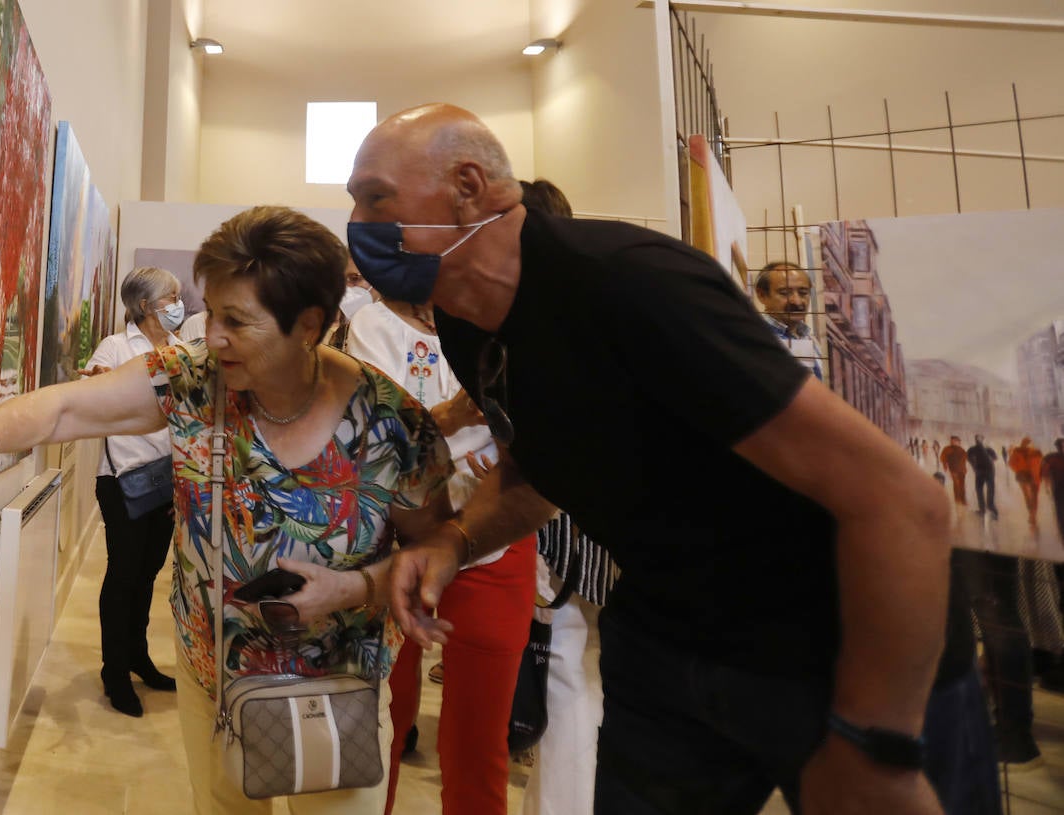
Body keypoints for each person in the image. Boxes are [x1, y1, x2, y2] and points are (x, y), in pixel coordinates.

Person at [348, 103, 994, 815]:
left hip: (845, 647)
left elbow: (902, 501)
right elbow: (540, 469)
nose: (355, 221)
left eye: (374, 197)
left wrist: (879, 746)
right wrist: (456, 537)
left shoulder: (628, 283)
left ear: (469, 185)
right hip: (670, 646)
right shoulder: (469, 326)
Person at [0, 205, 454, 814]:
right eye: (211, 312)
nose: (212, 336)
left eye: (237, 321)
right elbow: (66, 408)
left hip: (336, 689)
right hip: (214, 681)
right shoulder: (195, 380)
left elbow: (437, 548)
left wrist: (353, 586)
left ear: (308, 325)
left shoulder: (391, 424)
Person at [346, 286, 536, 815]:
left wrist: (510, 463)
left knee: (480, 733)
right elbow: (363, 443)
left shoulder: (513, 324)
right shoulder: (376, 327)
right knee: (383, 716)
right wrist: (449, 418)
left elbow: (553, 438)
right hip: (393, 541)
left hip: (495, 540)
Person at [515, 177, 613, 815]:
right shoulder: (594, 300)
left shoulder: (540, 314)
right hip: (590, 520)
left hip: (557, 525)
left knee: (562, 676)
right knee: (570, 672)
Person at [80, 266, 183, 716]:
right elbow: (92, 397)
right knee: (122, 574)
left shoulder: (181, 350)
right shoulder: (117, 347)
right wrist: (102, 382)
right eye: (171, 297)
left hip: (169, 478)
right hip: (122, 479)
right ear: (145, 306)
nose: (180, 304)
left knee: (148, 573)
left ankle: (139, 657)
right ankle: (114, 671)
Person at [753, 260, 823, 381]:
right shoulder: (756, 339)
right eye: (785, 293)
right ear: (762, 295)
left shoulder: (809, 338)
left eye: (803, 293)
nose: (797, 301)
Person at [1010, 437, 1044, 530]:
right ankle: (1032, 515)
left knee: (1029, 496)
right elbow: (1012, 464)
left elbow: (1012, 463)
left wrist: (1019, 469)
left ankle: (1032, 515)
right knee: (1031, 496)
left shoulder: (1020, 451)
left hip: (1026, 476)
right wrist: (1020, 470)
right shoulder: (1034, 452)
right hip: (1027, 476)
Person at [966, 435, 998, 518]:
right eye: (978, 439)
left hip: (984, 472)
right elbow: (994, 458)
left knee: (984, 490)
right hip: (984, 472)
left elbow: (995, 458)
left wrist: (975, 466)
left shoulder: (973, 450)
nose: (979, 440)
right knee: (982, 490)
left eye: (979, 439)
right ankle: (986, 510)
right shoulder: (975, 449)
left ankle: (988, 510)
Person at [940, 436, 968, 506]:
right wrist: (945, 465)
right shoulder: (947, 449)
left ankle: (963, 500)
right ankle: (957, 500)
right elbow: (943, 458)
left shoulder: (962, 450)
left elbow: (964, 460)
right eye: (952, 441)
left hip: (962, 470)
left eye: (955, 441)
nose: (953, 442)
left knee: (962, 485)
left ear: (958, 442)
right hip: (953, 470)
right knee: (956, 484)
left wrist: (965, 469)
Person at [1044, 438, 1064, 539]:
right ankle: (1062, 531)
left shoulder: (1050, 458)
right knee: (1060, 511)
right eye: (1061, 446)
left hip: (1057, 488)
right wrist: (1047, 485)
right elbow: (1046, 472)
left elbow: (1045, 473)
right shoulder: (1051, 458)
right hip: (1058, 489)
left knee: (1060, 511)